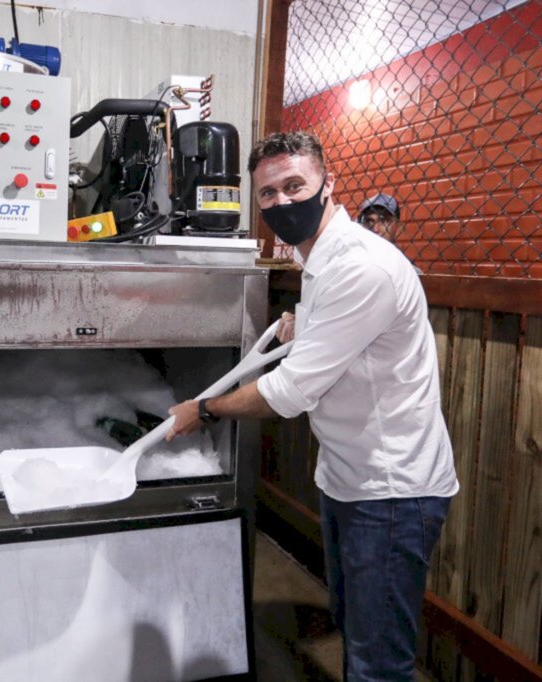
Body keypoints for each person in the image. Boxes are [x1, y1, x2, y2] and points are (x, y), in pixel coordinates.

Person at [166, 131, 458, 680]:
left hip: (392, 489)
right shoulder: (320, 260)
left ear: (329, 185)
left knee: (379, 661)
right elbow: (346, 345)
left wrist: (203, 410)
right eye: (268, 194)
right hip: (348, 477)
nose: (281, 202)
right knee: (355, 626)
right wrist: (306, 329)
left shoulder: (361, 266)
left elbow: (288, 395)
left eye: (294, 185)